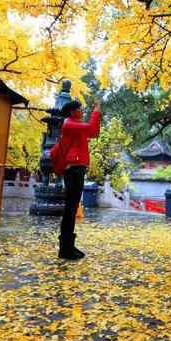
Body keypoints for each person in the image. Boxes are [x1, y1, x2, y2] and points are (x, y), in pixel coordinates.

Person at [57, 99, 101, 260]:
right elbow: (91, 127)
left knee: (72, 208)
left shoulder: (75, 125)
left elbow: (94, 132)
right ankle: (65, 249)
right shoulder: (69, 124)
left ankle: (69, 245)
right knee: (70, 208)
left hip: (77, 168)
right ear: (72, 112)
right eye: (79, 109)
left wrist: (95, 114)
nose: (82, 111)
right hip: (73, 169)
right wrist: (96, 111)